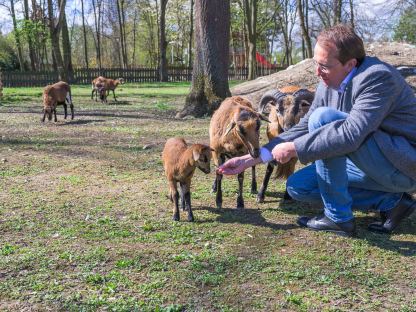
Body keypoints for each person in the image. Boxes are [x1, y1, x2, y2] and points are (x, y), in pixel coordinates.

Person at [217, 24, 416, 237]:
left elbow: (351, 134)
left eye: (324, 65)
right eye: (316, 64)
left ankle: (338, 218)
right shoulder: (327, 82)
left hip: (401, 166)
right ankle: (392, 201)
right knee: (298, 187)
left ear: (350, 64)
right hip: (366, 162)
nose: (317, 72)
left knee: (324, 118)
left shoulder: (378, 78)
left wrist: (293, 148)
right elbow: (304, 127)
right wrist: (250, 159)